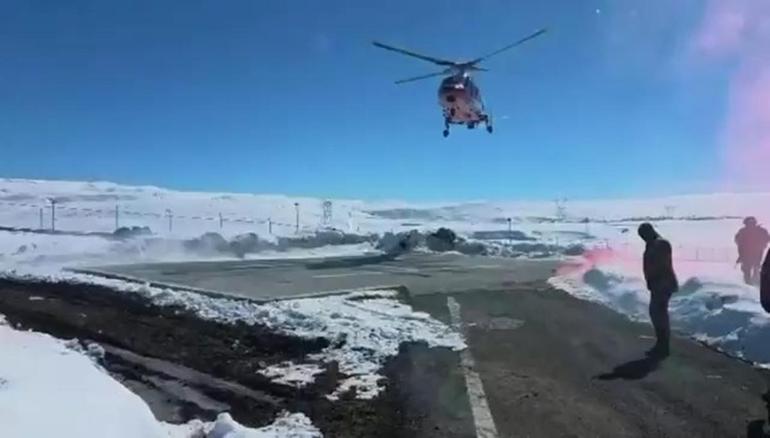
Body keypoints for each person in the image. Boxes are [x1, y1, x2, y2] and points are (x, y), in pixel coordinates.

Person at [638, 223, 678, 358]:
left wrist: (655, 279)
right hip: (658, 284)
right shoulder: (653, 244)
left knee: (659, 314)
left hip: (662, 284)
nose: (643, 238)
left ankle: (663, 345)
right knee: (657, 314)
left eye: (644, 235)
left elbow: (660, 265)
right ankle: (661, 344)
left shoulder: (660, 244)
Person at [735, 217, 770, 285]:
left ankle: (754, 281)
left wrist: (763, 244)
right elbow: (738, 241)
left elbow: (767, 238)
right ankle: (750, 282)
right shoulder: (743, 231)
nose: (750, 224)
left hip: (755, 252)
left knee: (754, 267)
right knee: (749, 268)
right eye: (749, 223)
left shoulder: (760, 231)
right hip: (747, 253)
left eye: (751, 223)